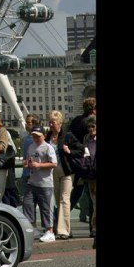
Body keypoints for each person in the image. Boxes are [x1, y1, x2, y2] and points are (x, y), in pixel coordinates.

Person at [46, 110, 84, 240]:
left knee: (64, 199)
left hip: (67, 172)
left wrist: (69, 151)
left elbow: (81, 150)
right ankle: (67, 228)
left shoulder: (67, 136)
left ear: (60, 123)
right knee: (58, 200)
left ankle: (63, 231)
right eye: (50, 122)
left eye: (53, 122)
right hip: (53, 172)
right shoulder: (47, 137)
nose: (51, 125)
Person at [22, 125, 57, 242]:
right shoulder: (31, 147)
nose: (35, 138)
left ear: (44, 136)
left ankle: (49, 231)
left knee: (46, 207)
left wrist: (39, 165)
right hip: (32, 181)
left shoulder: (48, 147)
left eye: (38, 136)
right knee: (27, 203)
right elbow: (29, 160)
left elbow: (54, 164)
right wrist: (27, 163)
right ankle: (33, 227)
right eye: (34, 136)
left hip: (45, 182)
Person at [68, 98, 96, 221]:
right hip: (90, 164)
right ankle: (92, 224)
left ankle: (59, 216)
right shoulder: (92, 123)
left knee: (76, 193)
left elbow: (68, 137)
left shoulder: (76, 121)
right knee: (92, 195)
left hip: (78, 162)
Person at [83, 115, 97, 243]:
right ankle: (94, 228)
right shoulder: (86, 139)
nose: (91, 129)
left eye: (93, 126)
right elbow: (86, 155)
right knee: (94, 203)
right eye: (89, 127)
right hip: (91, 175)